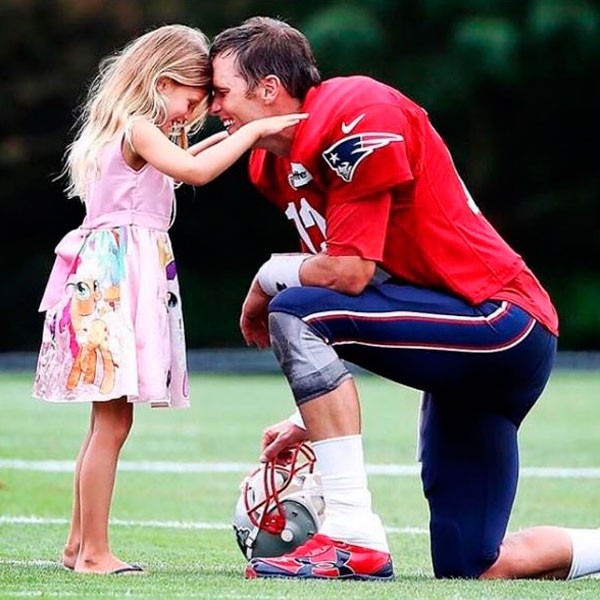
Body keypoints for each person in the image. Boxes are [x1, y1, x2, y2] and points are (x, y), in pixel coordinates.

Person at [209, 16, 600, 582]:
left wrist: (264, 279)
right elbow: (360, 299)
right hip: (460, 352)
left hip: (500, 320)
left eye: (221, 93)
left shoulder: (352, 107)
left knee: (291, 308)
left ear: (268, 88)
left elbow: (347, 274)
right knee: (474, 565)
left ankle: (351, 536)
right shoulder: (273, 162)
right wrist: (307, 416)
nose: (214, 108)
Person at [32, 23, 306, 575]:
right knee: (111, 425)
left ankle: (75, 545)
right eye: (188, 101)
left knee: (103, 424)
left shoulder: (132, 132)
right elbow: (197, 169)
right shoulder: (138, 128)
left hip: (107, 275)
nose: (191, 116)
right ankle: (93, 553)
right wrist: (256, 133)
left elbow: (190, 156)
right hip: (115, 281)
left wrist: (237, 134)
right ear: (161, 82)